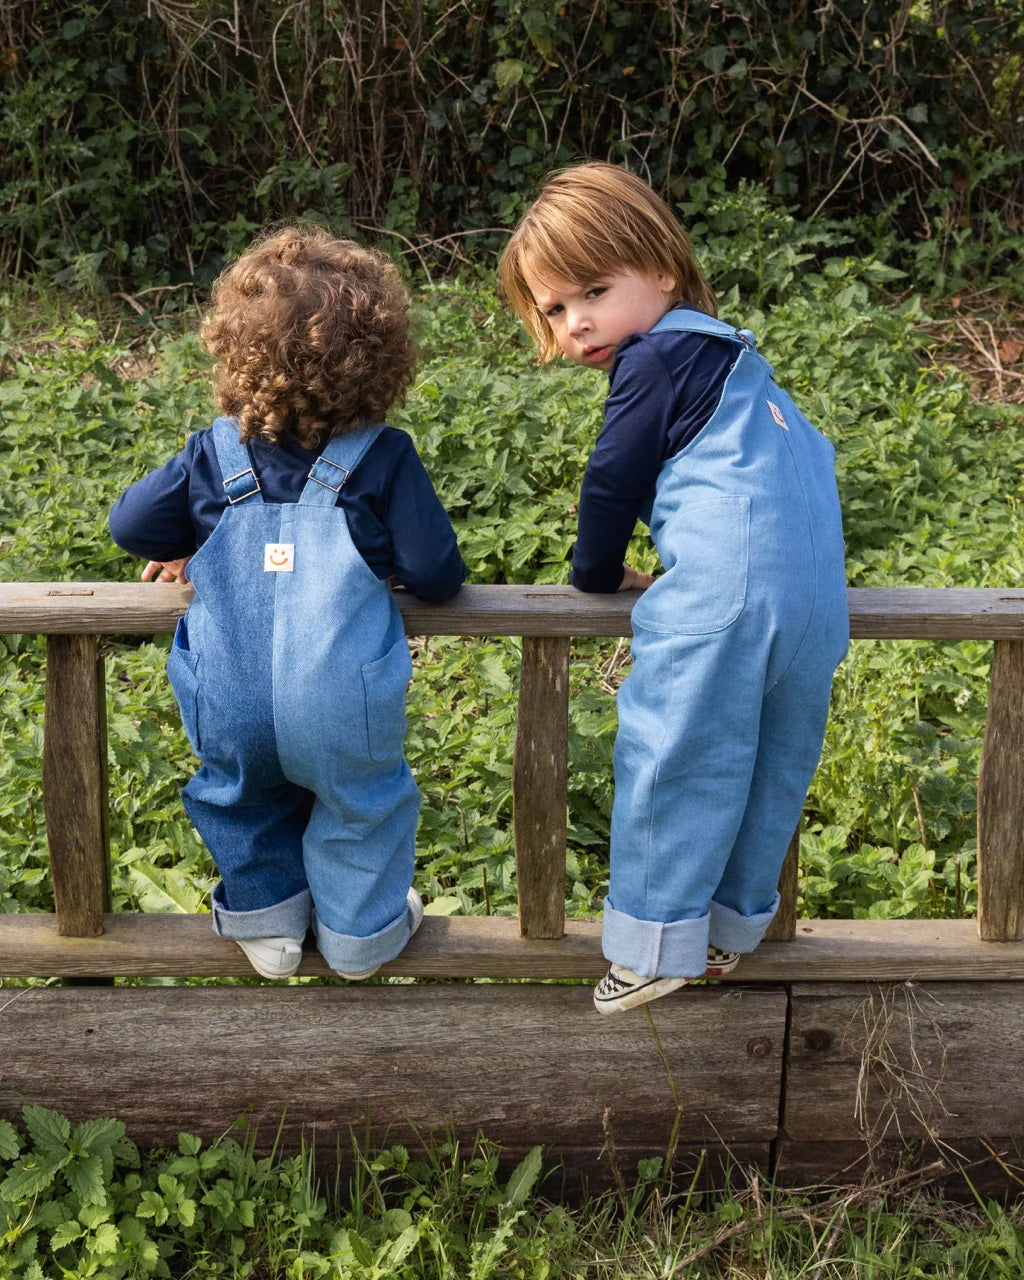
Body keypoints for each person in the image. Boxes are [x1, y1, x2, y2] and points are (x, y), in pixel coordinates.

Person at [499, 163, 848, 1014]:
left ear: (662, 269)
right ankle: (726, 933)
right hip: (815, 602)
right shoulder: (739, 364)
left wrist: (593, 574)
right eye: (553, 309)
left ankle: (655, 942)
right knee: (773, 759)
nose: (578, 322)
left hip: (724, 594)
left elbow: (611, 479)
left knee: (677, 752)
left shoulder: (653, 362)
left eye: (592, 290)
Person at [110, 226, 466, 980]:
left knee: (239, 797)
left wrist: (186, 540)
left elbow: (130, 524)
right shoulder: (383, 456)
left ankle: (268, 930)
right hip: (342, 698)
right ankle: (359, 935)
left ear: (235, 354)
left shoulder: (212, 456)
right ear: (379, 361)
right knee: (360, 802)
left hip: (228, 694)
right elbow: (437, 572)